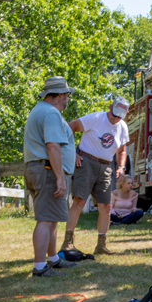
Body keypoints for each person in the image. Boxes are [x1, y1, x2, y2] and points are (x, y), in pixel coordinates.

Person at [23, 75, 77, 278]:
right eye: (67, 95)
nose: (67, 100)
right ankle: (39, 266)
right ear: (60, 95)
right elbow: (53, 145)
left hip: (39, 168)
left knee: (52, 217)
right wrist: (60, 178)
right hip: (47, 170)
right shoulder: (51, 113)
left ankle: (52, 258)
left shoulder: (39, 110)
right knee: (46, 219)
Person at [62, 96, 130, 257]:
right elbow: (69, 128)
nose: (116, 118)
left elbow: (122, 150)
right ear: (110, 107)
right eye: (115, 114)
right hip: (86, 162)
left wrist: (121, 167)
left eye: (120, 116)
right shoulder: (95, 118)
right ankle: (68, 242)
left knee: (106, 207)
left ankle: (101, 245)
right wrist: (73, 152)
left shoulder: (122, 127)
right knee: (79, 201)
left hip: (106, 166)